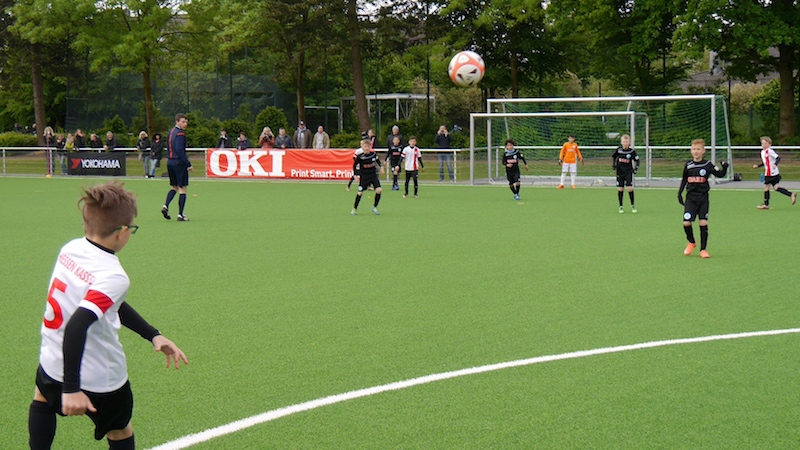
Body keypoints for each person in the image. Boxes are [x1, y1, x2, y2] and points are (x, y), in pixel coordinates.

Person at [27, 181, 188, 450]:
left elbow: (106, 303)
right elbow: (77, 326)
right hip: (100, 378)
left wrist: (153, 334)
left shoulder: (70, 249)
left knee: (42, 398)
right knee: (120, 431)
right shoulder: (113, 274)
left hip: (52, 361)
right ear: (122, 232)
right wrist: (72, 388)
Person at [677, 139, 729, 258]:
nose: (696, 151)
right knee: (686, 223)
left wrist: (725, 168)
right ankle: (691, 242)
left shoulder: (707, 165)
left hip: (703, 198)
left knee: (703, 222)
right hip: (690, 198)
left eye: (698, 149)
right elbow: (684, 179)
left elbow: (720, 174)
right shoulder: (688, 165)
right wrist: (679, 193)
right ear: (691, 150)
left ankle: (703, 249)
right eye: (694, 149)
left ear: (703, 151)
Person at [162, 114, 193, 222]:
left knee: (174, 187)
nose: (185, 124)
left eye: (186, 122)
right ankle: (180, 214)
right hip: (178, 163)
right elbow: (179, 150)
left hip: (170, 162)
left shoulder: (170, 132)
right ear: (177, 121)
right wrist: (188, 163)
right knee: (182, 188)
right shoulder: (180, 134)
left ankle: (165, 206)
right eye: (183, 122)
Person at [752, 136, 796, 209]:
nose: (763, 145)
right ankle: (791, 194)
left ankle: (766, 204)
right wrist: (758, 166)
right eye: (762, 143)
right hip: (769, 173)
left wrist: (775, 164)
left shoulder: (770, 151)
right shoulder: (762, 152)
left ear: (770, 144)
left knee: (766, 187)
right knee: (776, 188)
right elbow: (765, 163)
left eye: (765, 143)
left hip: (771, 173)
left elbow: (778, 158)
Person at [351, 139, 384, 215]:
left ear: (370, 147)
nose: (366, 148)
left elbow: (378, 161)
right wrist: (355, 175)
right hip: (364, 177)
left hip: (373, 176)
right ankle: (354, 208)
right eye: (365, 146)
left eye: (368, 146)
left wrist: (381, 167)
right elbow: (354, 166)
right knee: (360, 193)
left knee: (379, 190)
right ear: (362, 147)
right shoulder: (360, 157)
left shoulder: (373, 154)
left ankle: (374, 207)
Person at [612, 134, 640, 213]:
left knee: (630, 188)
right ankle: (620, 206)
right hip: (620, 172)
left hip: (628, 172)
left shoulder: (631, 151)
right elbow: (614, 157)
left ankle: (633, 205)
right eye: (624, 142)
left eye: (626, 142)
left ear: (629, 143)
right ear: (621, 142)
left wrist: (636, 168)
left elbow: (637, 160)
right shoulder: (618, 150)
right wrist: (614, 165)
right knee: (620, 189)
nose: (625, 143)